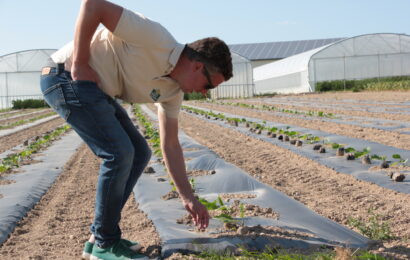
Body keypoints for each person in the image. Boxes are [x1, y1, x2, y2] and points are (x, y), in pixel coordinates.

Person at [40, 0, 233, 259]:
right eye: (208, 86)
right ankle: (105, 243)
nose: (203, 93)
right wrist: (81, 62)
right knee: (119, 153)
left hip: (96, 91)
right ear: (198, 66)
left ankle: (98, 236)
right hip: (64, 76)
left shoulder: (173, 93)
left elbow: (171, 145)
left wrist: (188, 198)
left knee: (139, 152)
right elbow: (93, 5)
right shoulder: (155, 38)